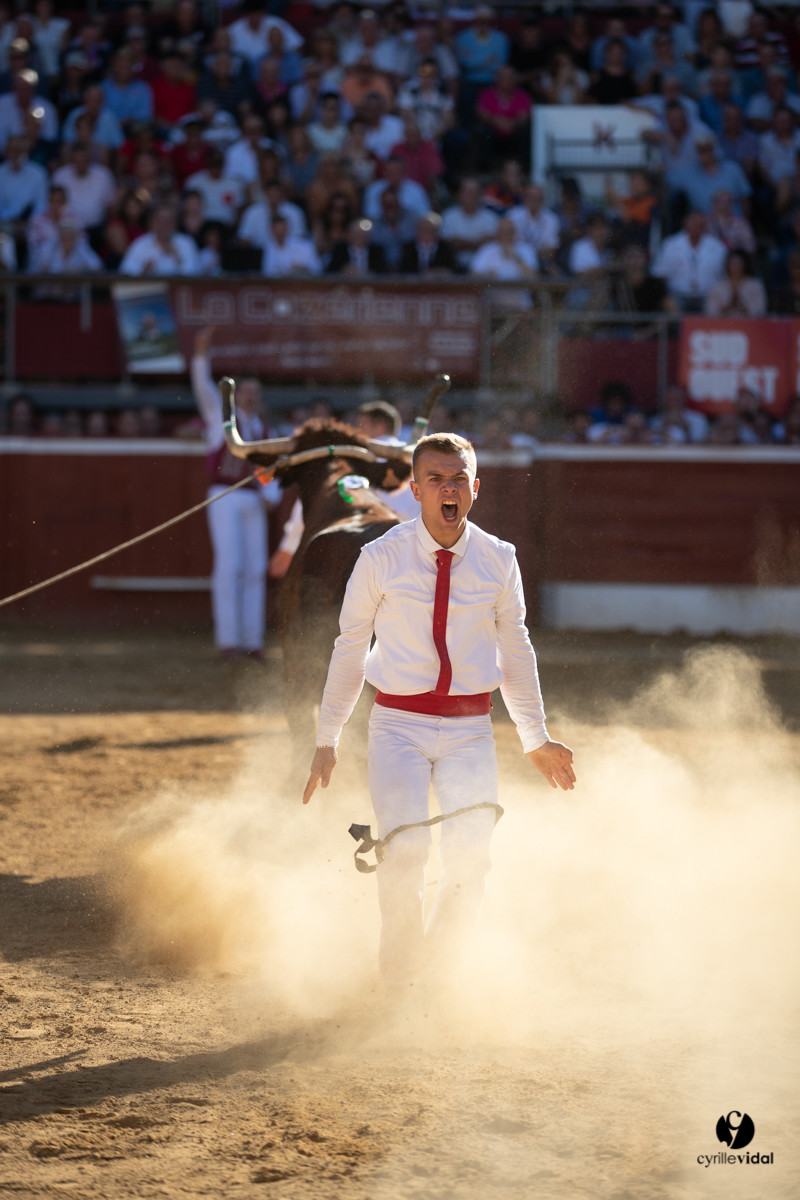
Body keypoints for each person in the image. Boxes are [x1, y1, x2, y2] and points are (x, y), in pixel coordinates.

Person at [302, 431, 575, 996]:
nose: (447, 490)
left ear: (474, 488)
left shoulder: (500, 559)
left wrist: (535, 736)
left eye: (458, 480)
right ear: (415, 489)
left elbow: (516, 649)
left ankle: (440, 978)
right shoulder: (379, 557)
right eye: (435, 479)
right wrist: (328, 736)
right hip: (396, 725)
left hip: (470, 730)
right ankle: (402, 979)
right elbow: (350, 646)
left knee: (471, 858)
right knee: (405, 849)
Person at [190, 325, 281, 661]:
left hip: (254, 501)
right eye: (246, 392)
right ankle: (229, 640)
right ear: (235, 395)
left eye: (255, 392)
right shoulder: (220, 417)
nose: (250, 397)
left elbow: (270, 470)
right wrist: (201, 355)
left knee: (255, 568)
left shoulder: (263, 428)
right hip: (224, 496)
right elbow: (202, 389)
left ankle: (252, 641)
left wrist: (271, 495)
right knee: (231, 567)